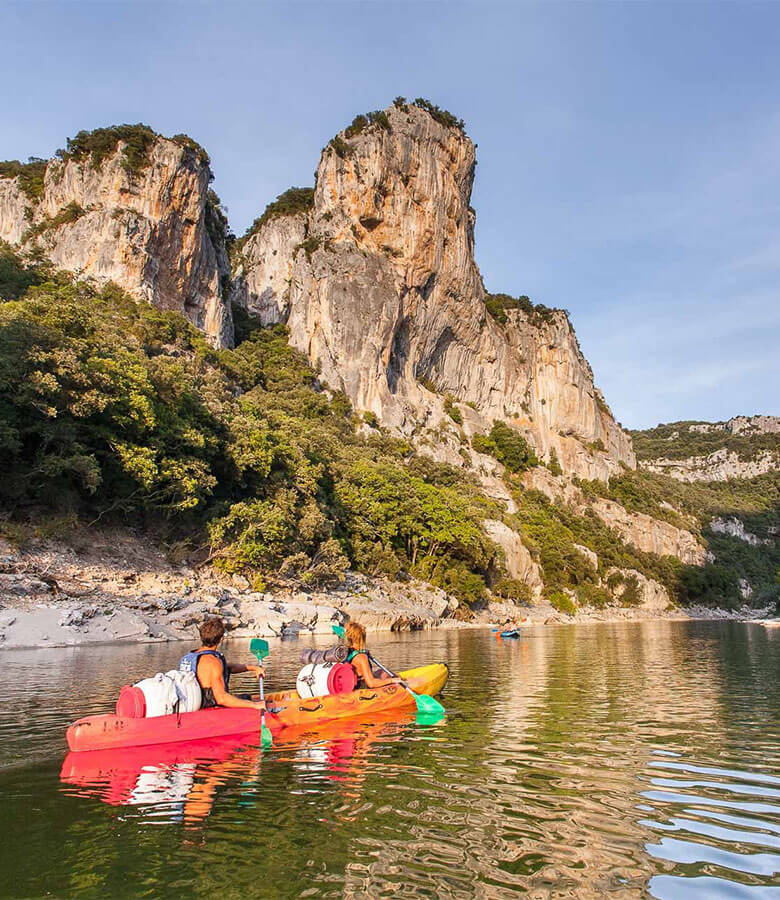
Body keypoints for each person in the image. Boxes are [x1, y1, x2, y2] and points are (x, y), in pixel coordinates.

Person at [179, 617, 269, 710]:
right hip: (210, 708)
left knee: (246, 697)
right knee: (248, 700)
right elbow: (221, 699)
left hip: (192, 704)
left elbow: (228, 668)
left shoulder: (189, 657)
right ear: (221, 639)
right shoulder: (212, 661)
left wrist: (253, 668)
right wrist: (255, 705)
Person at [344, 621, 403, 689]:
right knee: (386, 674)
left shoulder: (347, 652)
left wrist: (363, 652)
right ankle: (400, 682)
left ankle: (398, 679)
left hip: (354, 684)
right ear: (362, 638)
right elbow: (371, 683)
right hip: (363, 688)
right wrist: (392, 680)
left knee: (381, 671)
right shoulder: (362, 657)